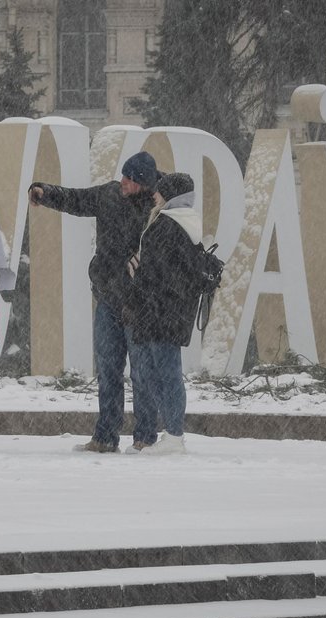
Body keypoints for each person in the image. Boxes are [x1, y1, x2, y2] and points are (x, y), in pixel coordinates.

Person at [28, 151, 161, 454]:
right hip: (108, 299)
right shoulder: (109, 195)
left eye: (131, 179)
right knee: (108, 370)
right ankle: (105, 437)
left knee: (142, 373)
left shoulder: (158, 208)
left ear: (144, 183)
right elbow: (76, 200)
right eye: (124, 175)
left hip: (140, 304)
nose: (123, 182)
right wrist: (45, 192)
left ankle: (145, 438)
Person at [125, 172, 202, 454]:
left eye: (160, 191)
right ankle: (172, 433)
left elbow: (157, 273)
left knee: (163, 373)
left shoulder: (168, 226)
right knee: (158, 372)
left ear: (170, 195)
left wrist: (137, 279)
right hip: (171, 311)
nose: (154, 195)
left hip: (159, 311)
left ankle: (173, 435)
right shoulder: (186, 223)